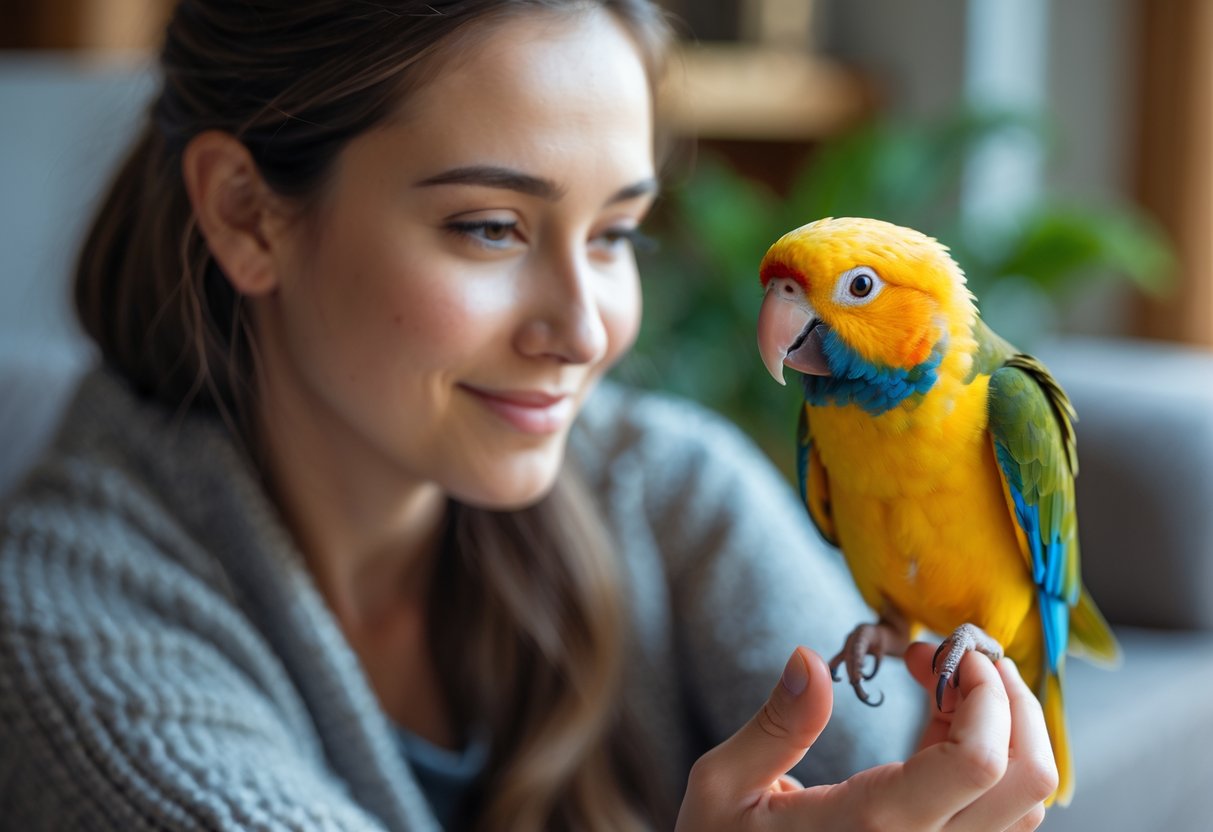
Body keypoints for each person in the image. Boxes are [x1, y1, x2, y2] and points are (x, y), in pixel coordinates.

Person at [0, 1, 1057, 830]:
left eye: (615, 235)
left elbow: (900, 775)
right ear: (247, 214)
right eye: (491, 227)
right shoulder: (61, 630)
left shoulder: (671, 488)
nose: (587, 330)